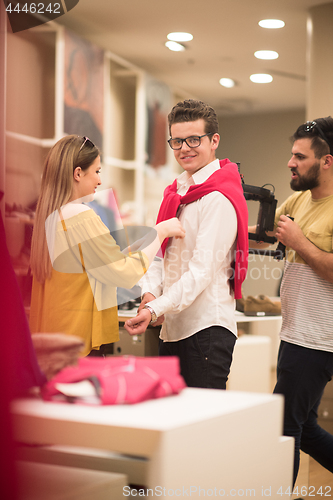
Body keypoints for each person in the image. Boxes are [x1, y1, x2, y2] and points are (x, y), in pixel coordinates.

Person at [125, 99, 249, 389]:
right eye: (177, 141)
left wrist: (156, 309)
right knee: (174, 423)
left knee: (203, 429)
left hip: (206, 329)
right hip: (172, 328)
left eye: (194, 139)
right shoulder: (176, 192)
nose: (184, 148)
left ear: (214, 140)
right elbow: (159, 255)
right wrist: (149, 296)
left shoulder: (218, 197)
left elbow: (201, 271)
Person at [29, 135, 185, 356]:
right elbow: (123, 273)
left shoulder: (53, 217)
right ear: (78, 173)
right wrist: (160, 232)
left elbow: (96, 266)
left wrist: (140, 244)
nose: (100, 181)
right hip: (77, 345)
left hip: (52, 342)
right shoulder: (81, 216)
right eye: (97, 171)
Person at [267, 117, 333, 484]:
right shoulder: (298, 199)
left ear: (327, 161)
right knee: (304, 427)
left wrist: (300, 242)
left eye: (299, 156)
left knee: (283, 425)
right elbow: (266, 237)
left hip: (318, 338)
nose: (290, 163)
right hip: (295, 333)